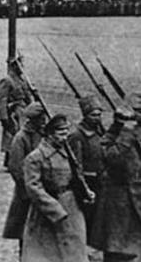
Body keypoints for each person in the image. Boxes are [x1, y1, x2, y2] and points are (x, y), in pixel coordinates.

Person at [21, 113, 88, 262]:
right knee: (45, 251)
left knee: (74, 248)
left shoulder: (67, 153)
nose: (65, 137)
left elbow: (76, 175)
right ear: (50, 134)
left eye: (66, 133)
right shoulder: (35, 157)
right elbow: (33, 187)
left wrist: (86, 192)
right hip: (46, 212)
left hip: (71, 206)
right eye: (61, 133)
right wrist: (54, 209)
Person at [90, 92, 141, 262]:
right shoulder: (114, 134)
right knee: (118, 253)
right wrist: (125, 130)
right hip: (119, 205)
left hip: (135, 200)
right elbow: (114, 159)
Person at [2, 102, 46, 256]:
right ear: (33, 120)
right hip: (26, 192)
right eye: (41, 119)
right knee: (24, 229)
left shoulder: (44, 135)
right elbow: (16, 167)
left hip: (43, 191)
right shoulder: (21, 138)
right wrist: (28, 188)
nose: (44, 122)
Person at [67, 94, 105, 240]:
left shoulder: (99, 133)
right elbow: (76, 166)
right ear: (85, 115)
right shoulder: (77, 136)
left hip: (101, 183)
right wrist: (84, 190)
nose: (98, 118)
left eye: (99, 114)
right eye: (94, 115)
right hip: (88, 185)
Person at [0, 57, 32, 168]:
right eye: (19, 65)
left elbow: (27, 96)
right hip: (13, 113)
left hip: (23, 111)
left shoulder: (23, 80)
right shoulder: (7, 80)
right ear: (13, 66)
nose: (21, 68)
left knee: (21, 136)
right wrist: (4, 117)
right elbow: (2, 100)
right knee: (12, 137)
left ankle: (17, 161)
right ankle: (10, 162)